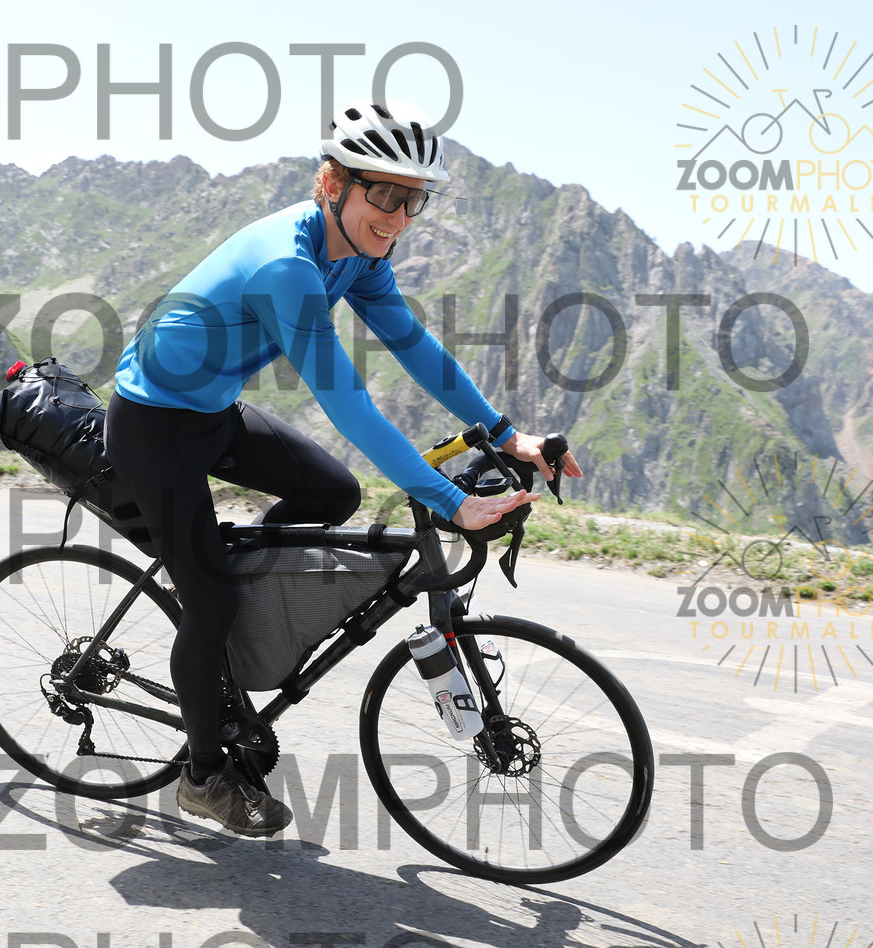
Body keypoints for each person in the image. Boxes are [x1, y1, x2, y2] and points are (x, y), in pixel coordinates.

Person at [104, 99, 583, 837]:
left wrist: (507, 435)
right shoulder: (287, 267)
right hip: (152, 425)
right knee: (211, 603)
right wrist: (450, 500)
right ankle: (201, 775)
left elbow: (415, 347)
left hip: (212, 413)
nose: (398, 218)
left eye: (414, 201)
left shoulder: (359, 253)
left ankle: (228, 583)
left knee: (333, 495)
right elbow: (351, 406)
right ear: (333, 183)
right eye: (384, 195)